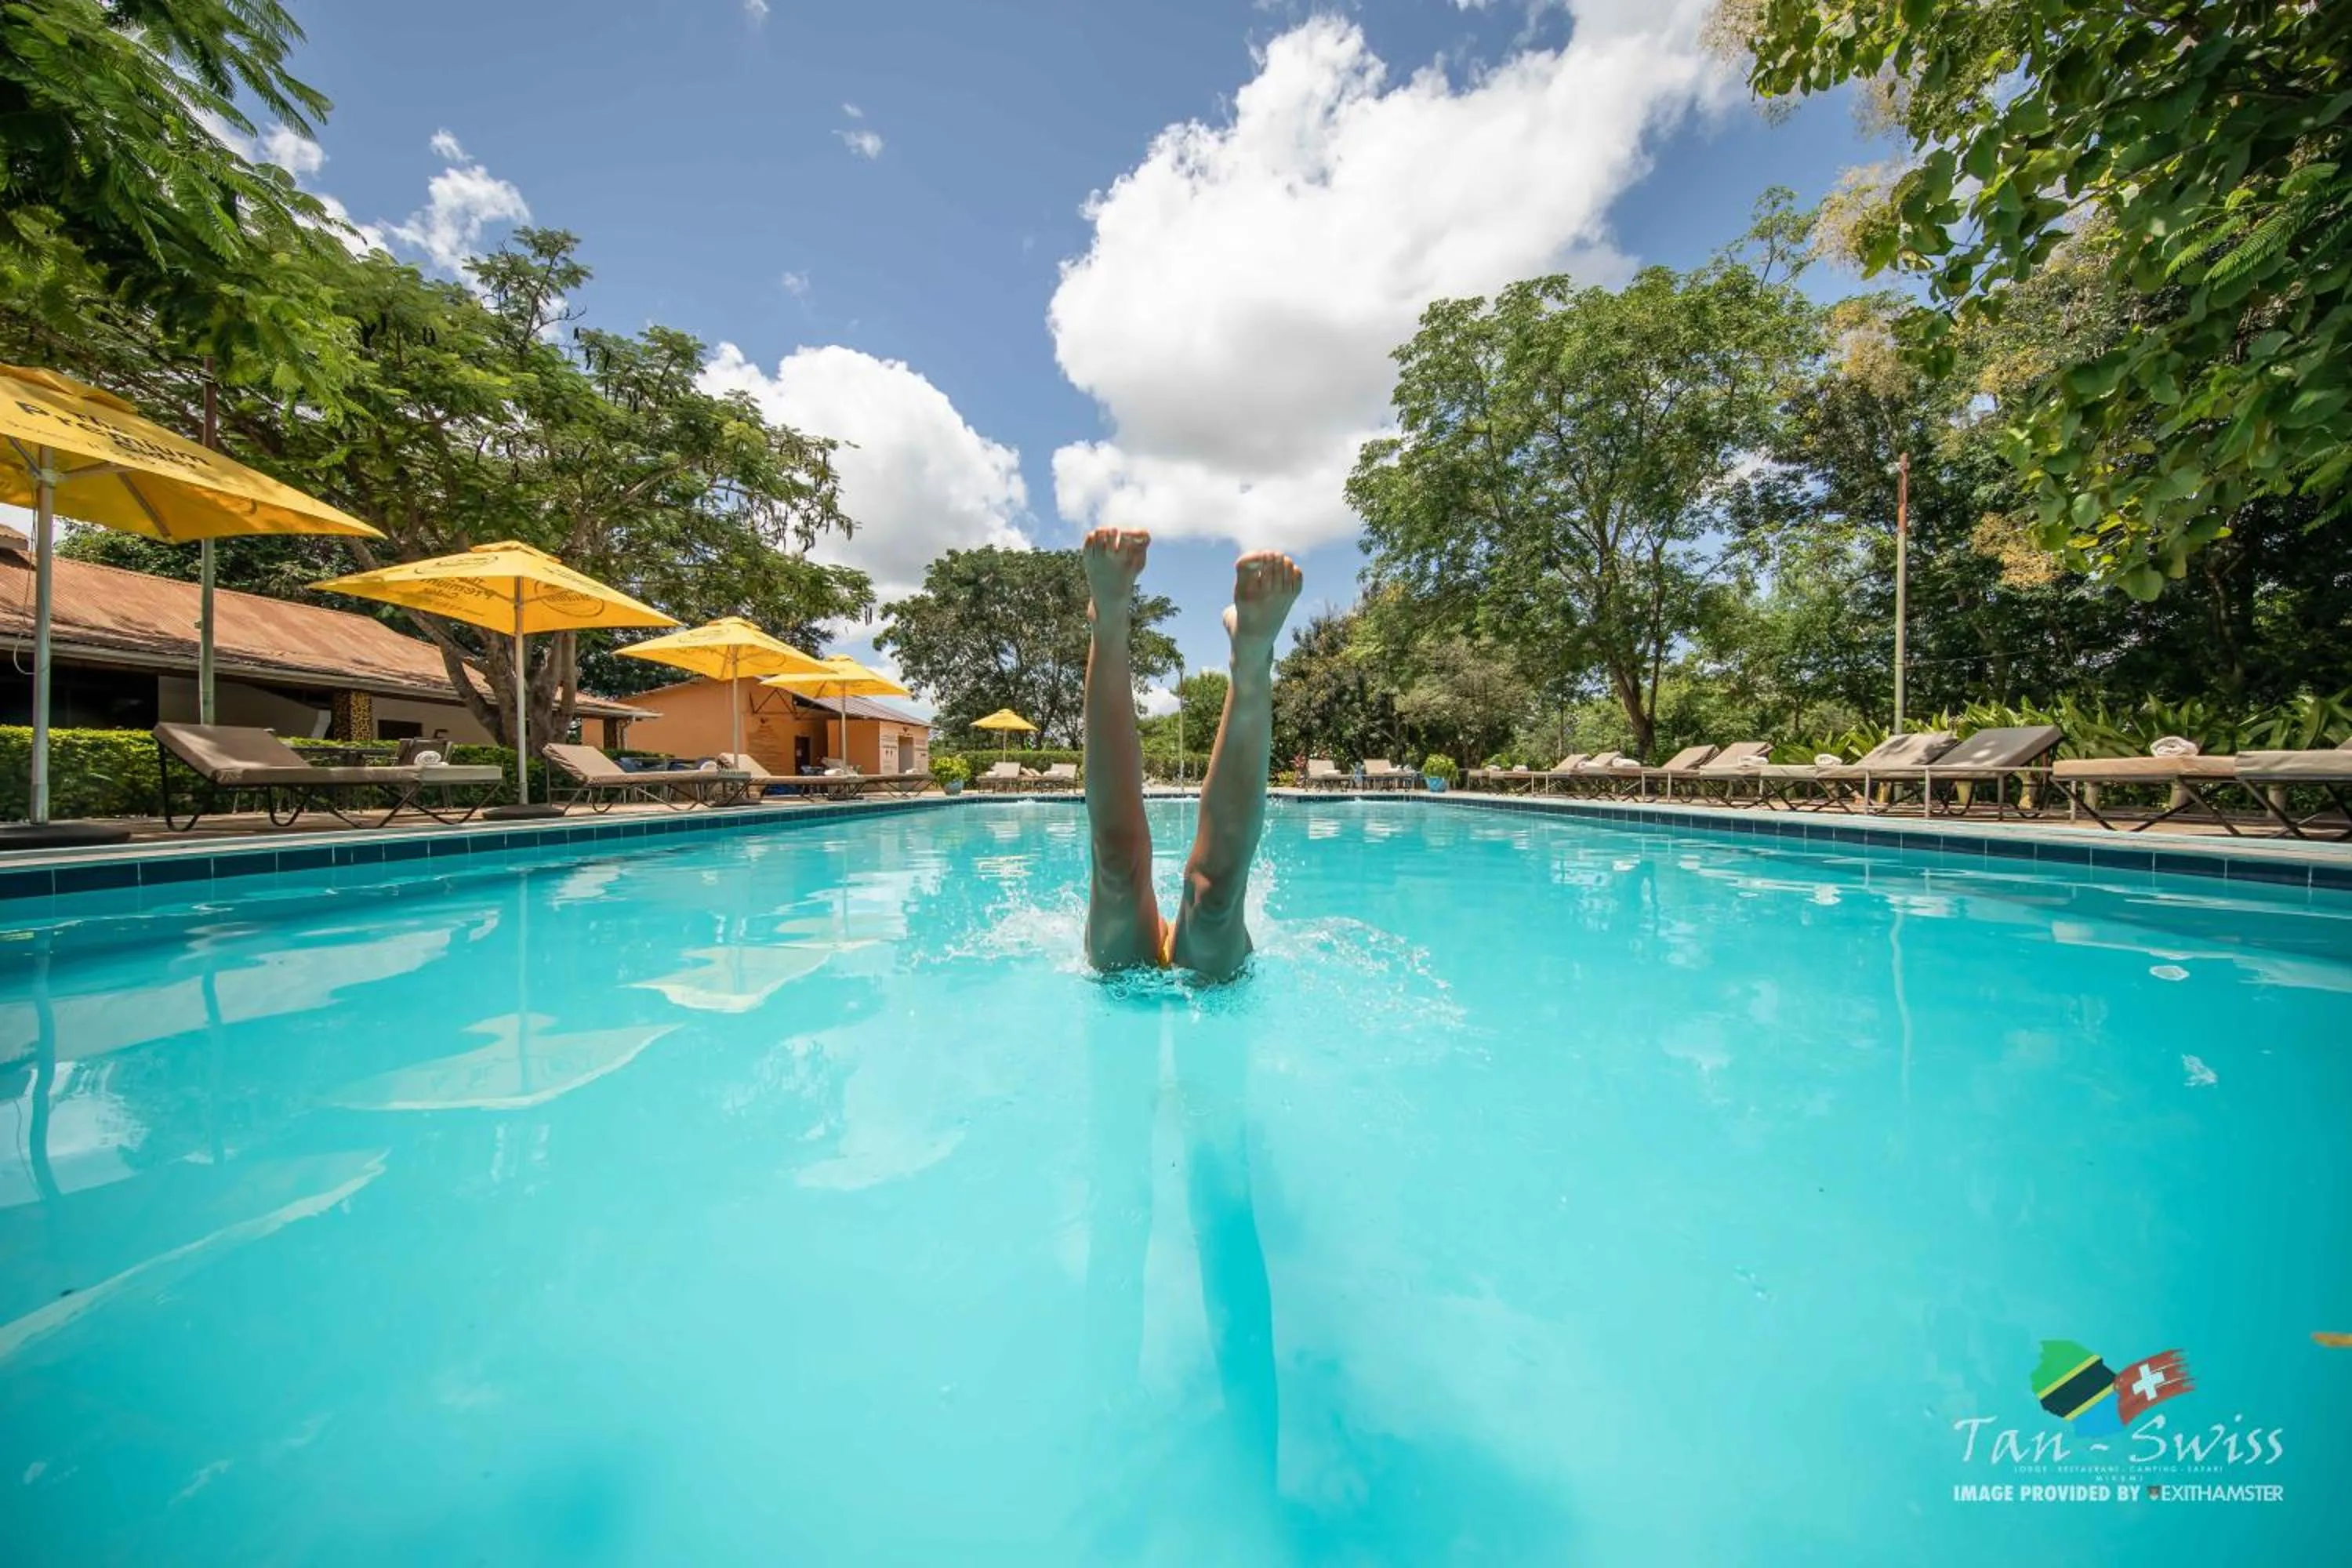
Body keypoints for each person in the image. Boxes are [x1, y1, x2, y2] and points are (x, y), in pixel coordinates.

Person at [1081, 527, 1301, 982]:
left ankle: (1253, 654)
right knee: (1117, 867)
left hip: (1174, 962)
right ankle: (1109, 621)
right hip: (1158, 961)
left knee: (1214, 899)